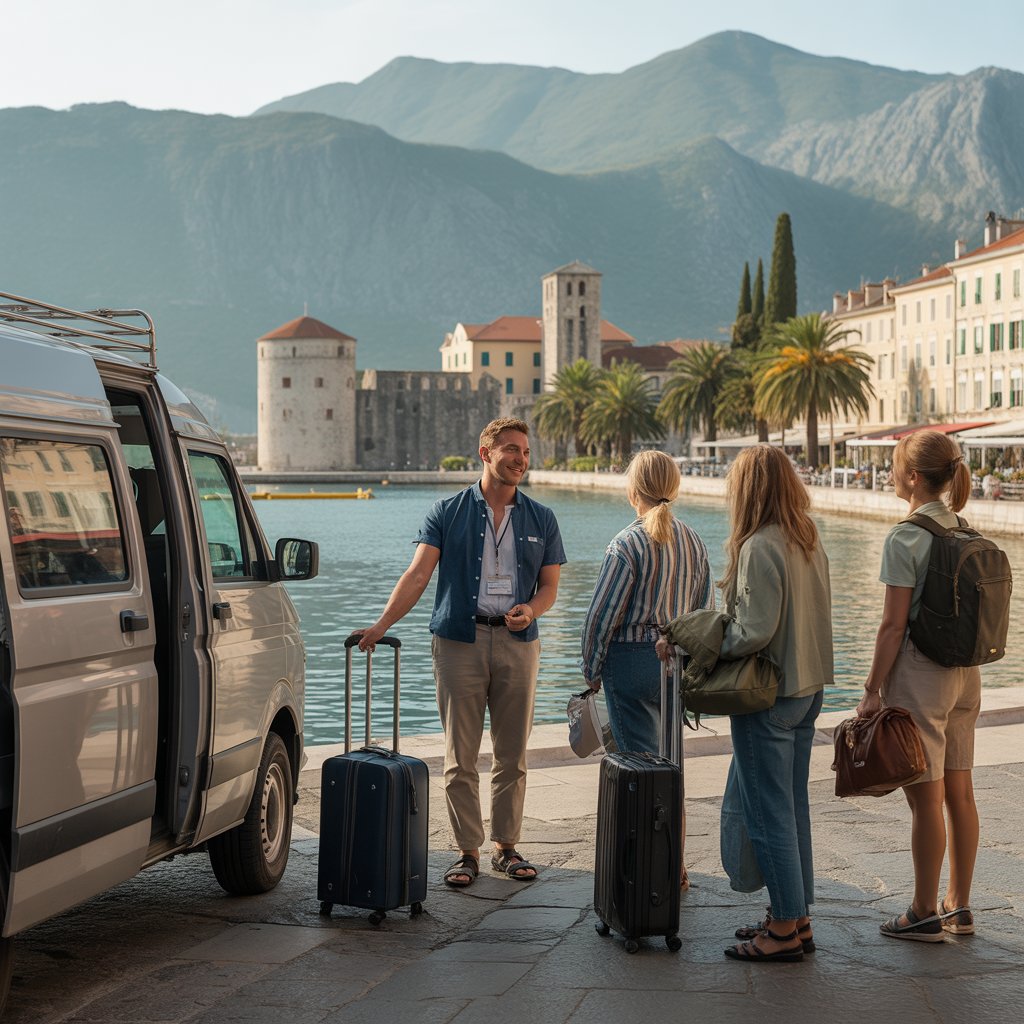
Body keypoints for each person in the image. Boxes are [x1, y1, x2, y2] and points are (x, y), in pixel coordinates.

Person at [355, 417, 565, 889]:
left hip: (518, 643)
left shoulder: (541, 518)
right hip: (457, 642)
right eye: (510, 449)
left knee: (513, 754)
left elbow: (550, 586)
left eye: (526, 453)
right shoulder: (446, 511)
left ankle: (506, 848)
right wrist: (381, 625)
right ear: (485, 452)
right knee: (460, 756)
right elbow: (417, 575)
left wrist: (530, 610)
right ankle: (467, 851)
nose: (520, 459)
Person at [659, 444, 833, 963]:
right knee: (792, 807)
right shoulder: (808, 536)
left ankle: (781, 928)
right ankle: (796, 917)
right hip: (810, 688)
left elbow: (753, 632)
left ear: (748, 489)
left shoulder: (760, 545)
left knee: (768, 813)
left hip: (769, 694)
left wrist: (701, 641)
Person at [858, 430, 981, 941]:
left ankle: (923, 911)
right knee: (961, 793)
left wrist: (870, 690)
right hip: (965, 676)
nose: (889, 475)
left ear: (912, 477)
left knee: (925, 799)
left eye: (893, 466)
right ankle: (960, 906)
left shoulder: (906, 537)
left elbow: (892, 626)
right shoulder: (963, 528)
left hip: (921, 678)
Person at [580, 449, 713, 888]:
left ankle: (643, 869)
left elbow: (602, 615)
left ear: (633, 491)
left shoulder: (626, 544)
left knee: (639, 769)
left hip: (632, 662)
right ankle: (674, 865)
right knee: (670, 767)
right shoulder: (694, 540)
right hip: (674, 667)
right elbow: (705, 615)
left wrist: (592, 667)